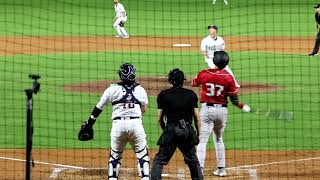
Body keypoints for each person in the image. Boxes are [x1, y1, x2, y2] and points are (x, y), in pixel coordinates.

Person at [78, 63, 150, 180]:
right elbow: (144, 109)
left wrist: (90, 123)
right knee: (142, 156)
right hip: (136, 125)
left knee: (115, 157)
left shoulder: (112, 89)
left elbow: (98, 108)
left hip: (118, 126)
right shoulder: (140, 90)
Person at [192, 51, 251, 177]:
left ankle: (199, 170)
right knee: (218, 139)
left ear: (214, 61)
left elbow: (194, 83)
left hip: (206, 110)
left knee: (202, 141)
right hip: (222, 111)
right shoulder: (229, 77)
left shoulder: (204, 73)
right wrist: (241, 105)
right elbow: (234, 101)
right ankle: (221, 170)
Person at [150, 68, 203, 180]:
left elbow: (159, 118)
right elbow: (197, 117)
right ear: (183, 81)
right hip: (187, 131)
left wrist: (166, 131)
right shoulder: (191, 94)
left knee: (159, 161)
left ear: (170, 81)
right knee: (193, 160)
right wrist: (198, 134)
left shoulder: (163, 95)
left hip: (171, 129)